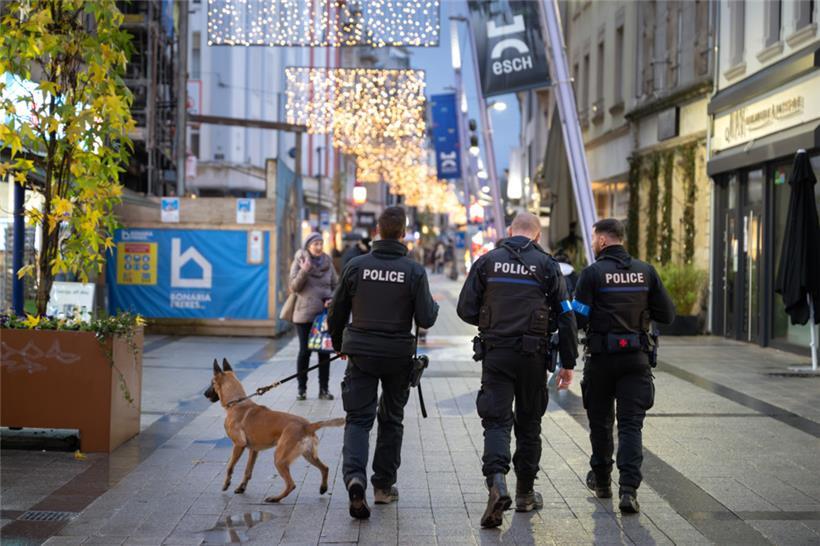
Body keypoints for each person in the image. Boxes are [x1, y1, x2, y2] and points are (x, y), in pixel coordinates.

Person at [456, 212, 578, 528]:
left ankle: (497, 482)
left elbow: (465, 308)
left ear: (510, 231)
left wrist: (490, 320)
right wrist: (568, 362)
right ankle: (525, 495)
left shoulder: (487, 261)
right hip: (533, 357)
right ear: (537, 236)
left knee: (496, 421)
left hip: (496, 354)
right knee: (529, 422)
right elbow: (566, 315)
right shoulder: (549, 266)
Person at [328, 206, 439, 520]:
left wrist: (340, 345)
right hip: (397, 357)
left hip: (361, 353)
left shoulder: (356, 266)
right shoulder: (414, 270)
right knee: (391, 420)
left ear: (377, 231)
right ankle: (383, 487)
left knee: (359, 420)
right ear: (403, 233)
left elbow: (336, 311)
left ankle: (354, 479)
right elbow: (426, 317)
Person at [572, 218, 675, 514]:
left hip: (602, 360)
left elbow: (578, 316)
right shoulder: (646, 272)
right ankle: (628, 490)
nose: (593, 243)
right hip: (636, 359)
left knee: (601, 423)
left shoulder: (592, 274)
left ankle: (602, 481)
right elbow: (667, 313)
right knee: (631, 426)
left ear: (603, 240)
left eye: (594, 238)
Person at [289, 232, 338, 401]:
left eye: (320, 243)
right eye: (315, 244)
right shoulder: (300, 260)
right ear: (308, 246)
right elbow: (294, 286)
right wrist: (304, 270)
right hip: (304, 315)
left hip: (324, 316)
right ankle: (301, 389)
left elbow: (336, 285)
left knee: (324, 352)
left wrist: (331, 298)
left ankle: (323, 389)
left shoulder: (328, 262)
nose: (318, 247)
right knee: (305, 352)